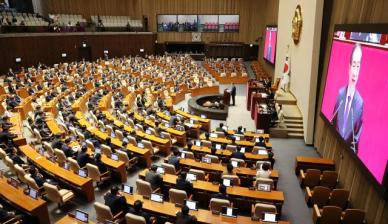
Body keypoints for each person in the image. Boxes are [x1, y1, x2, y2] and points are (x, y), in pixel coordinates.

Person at [331, 43, 364, 154]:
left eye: (358, 66)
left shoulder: (359, 103)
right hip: (333, 146)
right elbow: (333, 123)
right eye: (354, 65)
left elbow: (355, 141)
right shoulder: (340, 94)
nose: (355, 72)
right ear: (349, 67)